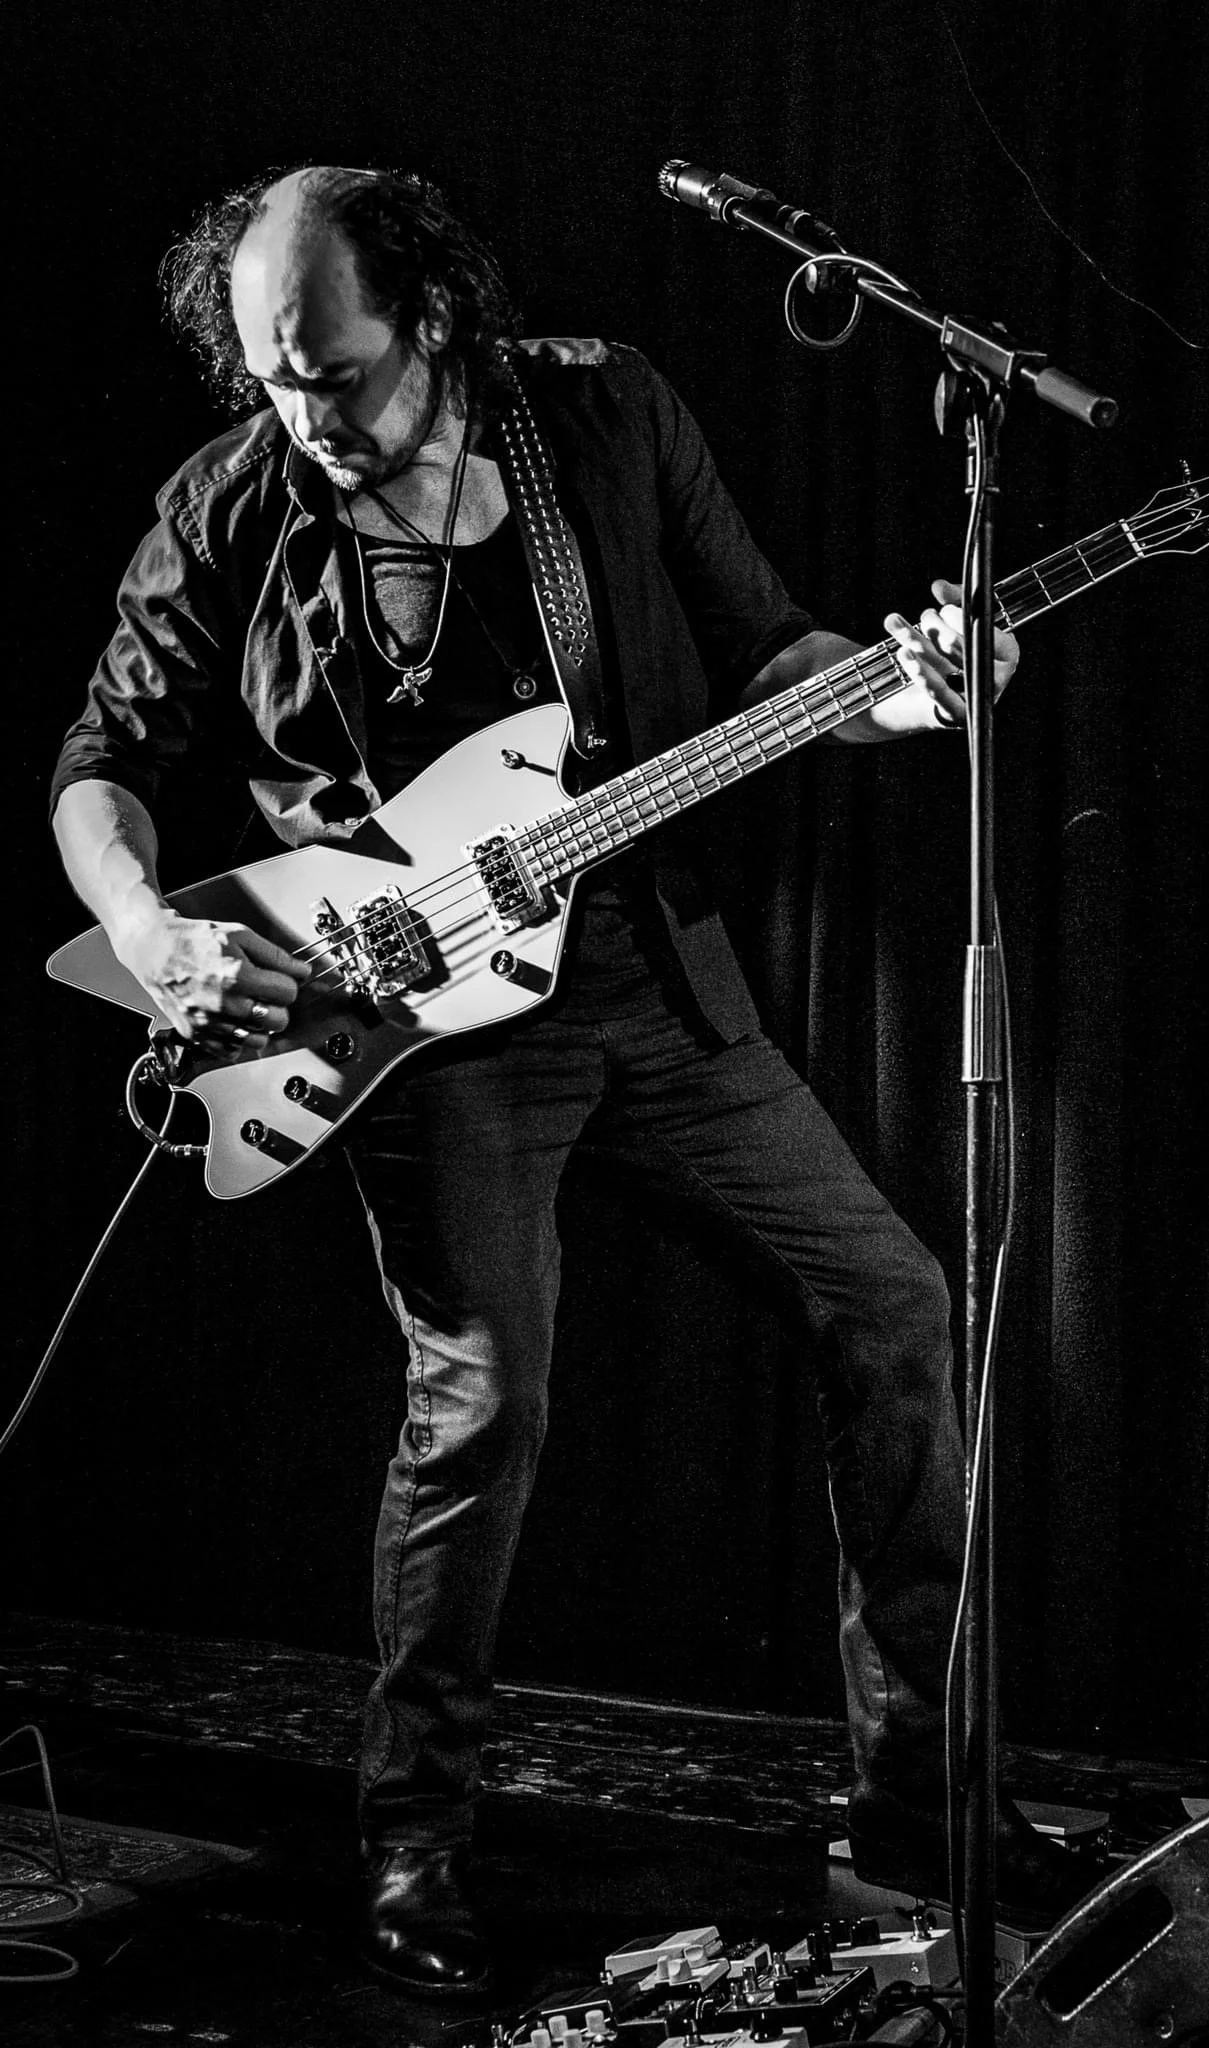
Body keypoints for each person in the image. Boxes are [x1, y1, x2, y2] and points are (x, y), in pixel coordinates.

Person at [51, 165, 1086, 1998]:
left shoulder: (600, 414)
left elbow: (775, 654)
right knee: (484, 1411)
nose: (305, 416)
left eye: (337, 376)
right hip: (415, 1031)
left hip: (653, 984)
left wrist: (910, 693)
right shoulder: (235, 500)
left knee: (895, 1305)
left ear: (434, 318)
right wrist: (148, 926)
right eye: (272, 377)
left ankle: (920, 1808)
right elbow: (104, 758)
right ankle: (414, 1840)